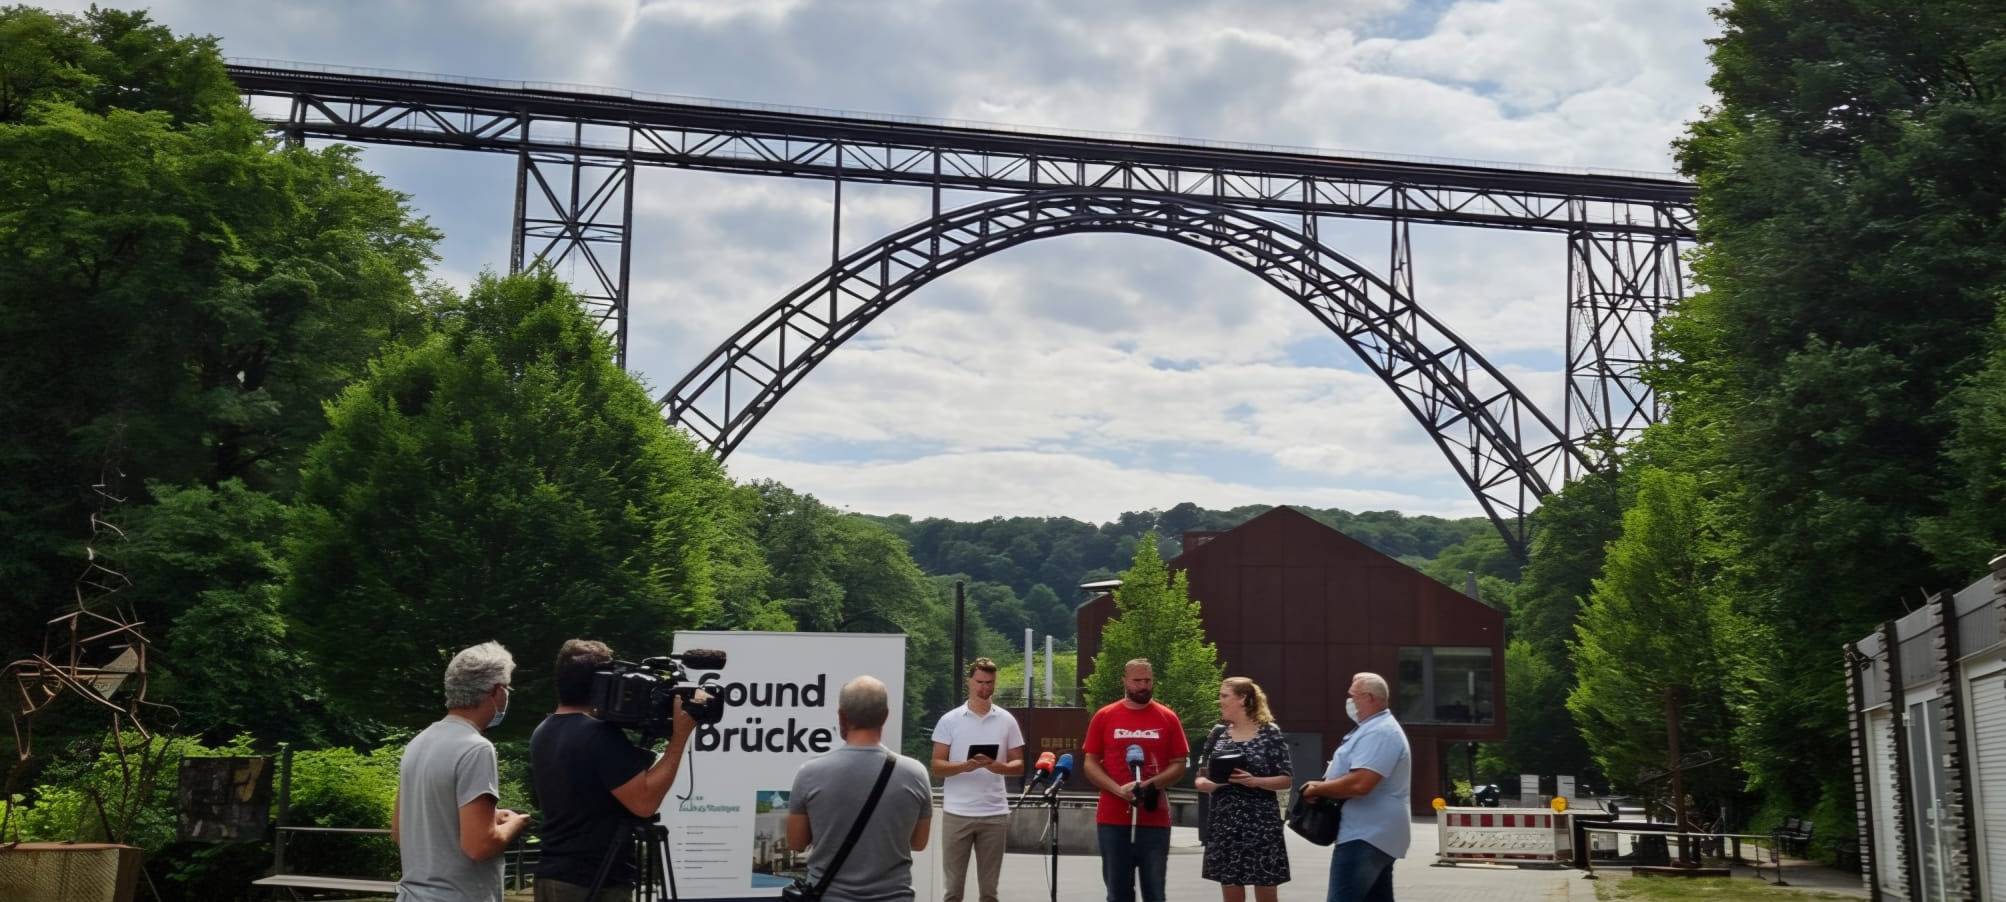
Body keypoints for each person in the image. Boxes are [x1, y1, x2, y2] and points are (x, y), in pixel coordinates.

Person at [529, 639, 698, 902]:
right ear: (601, 682)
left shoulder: (544, 730)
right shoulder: (598, 735)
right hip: (593, 881)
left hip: (556, 873)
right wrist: (680, 737)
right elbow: (645, 803)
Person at [392, 641, 530, 902]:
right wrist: (515, 824)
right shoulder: (476, 749)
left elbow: (400, 831)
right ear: (497, 691)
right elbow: (480, 846)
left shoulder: (417, 743)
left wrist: (485, 817)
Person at [788, 675, 933, 902]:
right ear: (885, 716)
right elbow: (919, 842)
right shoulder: (915, 773)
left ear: (841, 716)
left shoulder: (810, 773)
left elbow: (796, 842)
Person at [1082, 659, 1188, 902]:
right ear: (1124, 681)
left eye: (1148, 681)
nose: (1143, 686)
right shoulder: (1105, 716)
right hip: (1112, 819)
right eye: (1137, 680)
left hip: (1155, 819)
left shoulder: (1168, 717)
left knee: (1154, 893)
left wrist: (1149, 785)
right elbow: (1090, 762)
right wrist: (1118, 790)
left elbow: (1179, 764)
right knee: (1118, 893)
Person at [1302, 672, 1412, 902]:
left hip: (1366, 834)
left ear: (1370, 697)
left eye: (1353, 696)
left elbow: (1361, 783)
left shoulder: (1380, 732)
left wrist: (1318, 789)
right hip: (1373, 833)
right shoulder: (1373, 729)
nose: (1349, 702)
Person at [929, 657, 1025, 902]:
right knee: (953, 891)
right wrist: (965, 766)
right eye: (980, 682)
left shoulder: (1006, 720)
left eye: (990, 683)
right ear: (969, 682)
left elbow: (1018, 765)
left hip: (994, 812)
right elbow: (937, 766)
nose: (985, 688)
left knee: (989, 892)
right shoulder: (950, 720)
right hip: (956, 812)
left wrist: (996, 766)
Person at [1194, 677, 1293, 902]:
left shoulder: (1270, 733)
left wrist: (1255, 781)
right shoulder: (1217, 733)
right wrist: (1209, 784)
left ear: (1243, 699)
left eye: (1224, 695)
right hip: (1224, 824)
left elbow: (1285, 779)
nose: (1220, 700)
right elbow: (1200, 778)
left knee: (1266, 887)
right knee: (1230, 887)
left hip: (1261, 825)